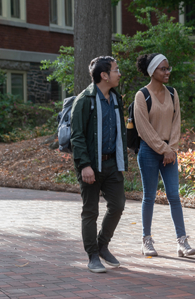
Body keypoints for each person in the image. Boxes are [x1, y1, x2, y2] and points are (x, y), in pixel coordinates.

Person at [133, 53, 195, 258]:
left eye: (168, 68)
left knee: (174, 196)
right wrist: (163, 149)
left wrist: (172, 149)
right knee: (149, 197)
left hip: (170, 152)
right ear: (152, 71)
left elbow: (176, 123)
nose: (168, 72)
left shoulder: (172, 93)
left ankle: (182, 242)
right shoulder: (141, 96)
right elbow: (143, 129)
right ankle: (146, 241)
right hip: (149, 152)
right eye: (163, 69)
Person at [70, 56, 128, 273]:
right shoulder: (84, 100)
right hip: (91, 165)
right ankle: (92, 255)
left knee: (118, 204)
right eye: (116, 70)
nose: (119, 73)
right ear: (104, 75)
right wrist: (84, 165)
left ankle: (103, 245)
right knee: (90, 211)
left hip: (112, 163)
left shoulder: (115, 98)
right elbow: (77, 137)